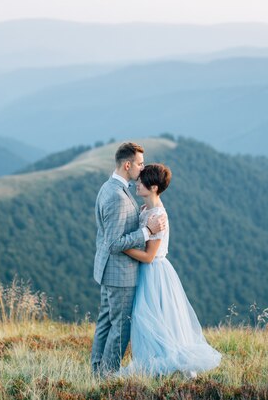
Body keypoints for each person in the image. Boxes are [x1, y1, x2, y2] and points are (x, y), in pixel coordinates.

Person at [120, 163, 222, 377]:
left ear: (154, 187)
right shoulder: (146, 209)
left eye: (142, 182)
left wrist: (124, 247)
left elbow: (149, 256)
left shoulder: (157, 216)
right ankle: (155, 364)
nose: (137, 184)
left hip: (155, 273)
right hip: (149, 272)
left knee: (156, 318)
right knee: (152, 320)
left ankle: (162, 367)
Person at [91, 142, 167, 377]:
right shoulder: (117, 196)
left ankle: (97, 372)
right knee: (121, 326)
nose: (142, 169)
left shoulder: (108, 187)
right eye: (140, 164)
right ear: (127, 165)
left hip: (107, 270)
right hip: (120, 273)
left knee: (106, 321)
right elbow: (114, 243)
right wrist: (147, 231)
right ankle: (108, 375)